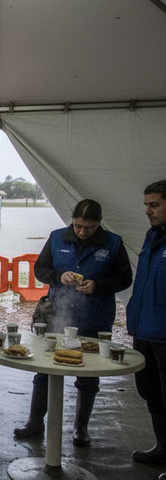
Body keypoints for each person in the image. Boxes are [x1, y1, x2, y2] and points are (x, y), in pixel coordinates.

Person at [15, 199, 132, 446]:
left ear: (98, 224)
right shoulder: (57, 238)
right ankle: (35, 422)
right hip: (57, 315)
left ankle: (81, 428)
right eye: (78, 226)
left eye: (88, 227)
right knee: (45, 370)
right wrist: (59, 276)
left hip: (94, 319)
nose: (82, 231)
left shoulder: (113, 243)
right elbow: (40, 269)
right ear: (72, 220)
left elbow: (124, 279)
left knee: (89, 375)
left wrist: (98, 286)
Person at [127, 180, 166, 473]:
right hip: (144, 329)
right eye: (146, 205)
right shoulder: (152, 236)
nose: (147, 211)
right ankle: (162, 447)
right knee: (151, 392)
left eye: (154, 205)